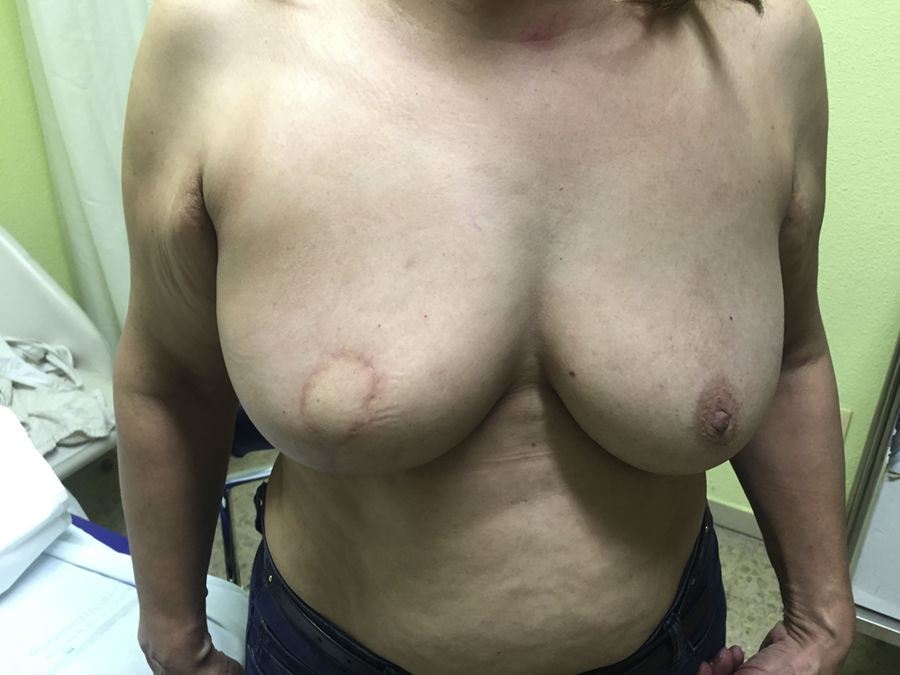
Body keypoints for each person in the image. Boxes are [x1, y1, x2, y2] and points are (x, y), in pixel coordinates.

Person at [114, 0, 855, 672]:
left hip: (673, 648)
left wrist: (818, 620)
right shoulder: (220, 37)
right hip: (329, 654)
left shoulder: (761, 45)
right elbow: (172, 380)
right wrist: (174, 635)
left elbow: (791, 352)